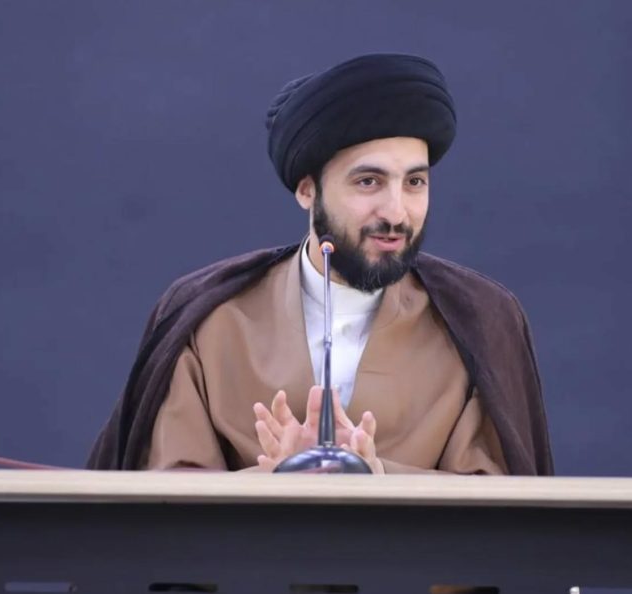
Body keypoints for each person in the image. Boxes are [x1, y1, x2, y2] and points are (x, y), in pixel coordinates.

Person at [87, 53, 553, 475]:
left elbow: (497, 511)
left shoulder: (477, 321)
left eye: (414, 182)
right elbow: (166, 500)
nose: (396, 213)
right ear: (307, 190)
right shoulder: (210, 319)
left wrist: (376, 478)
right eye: (368, 182)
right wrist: (275, 482)